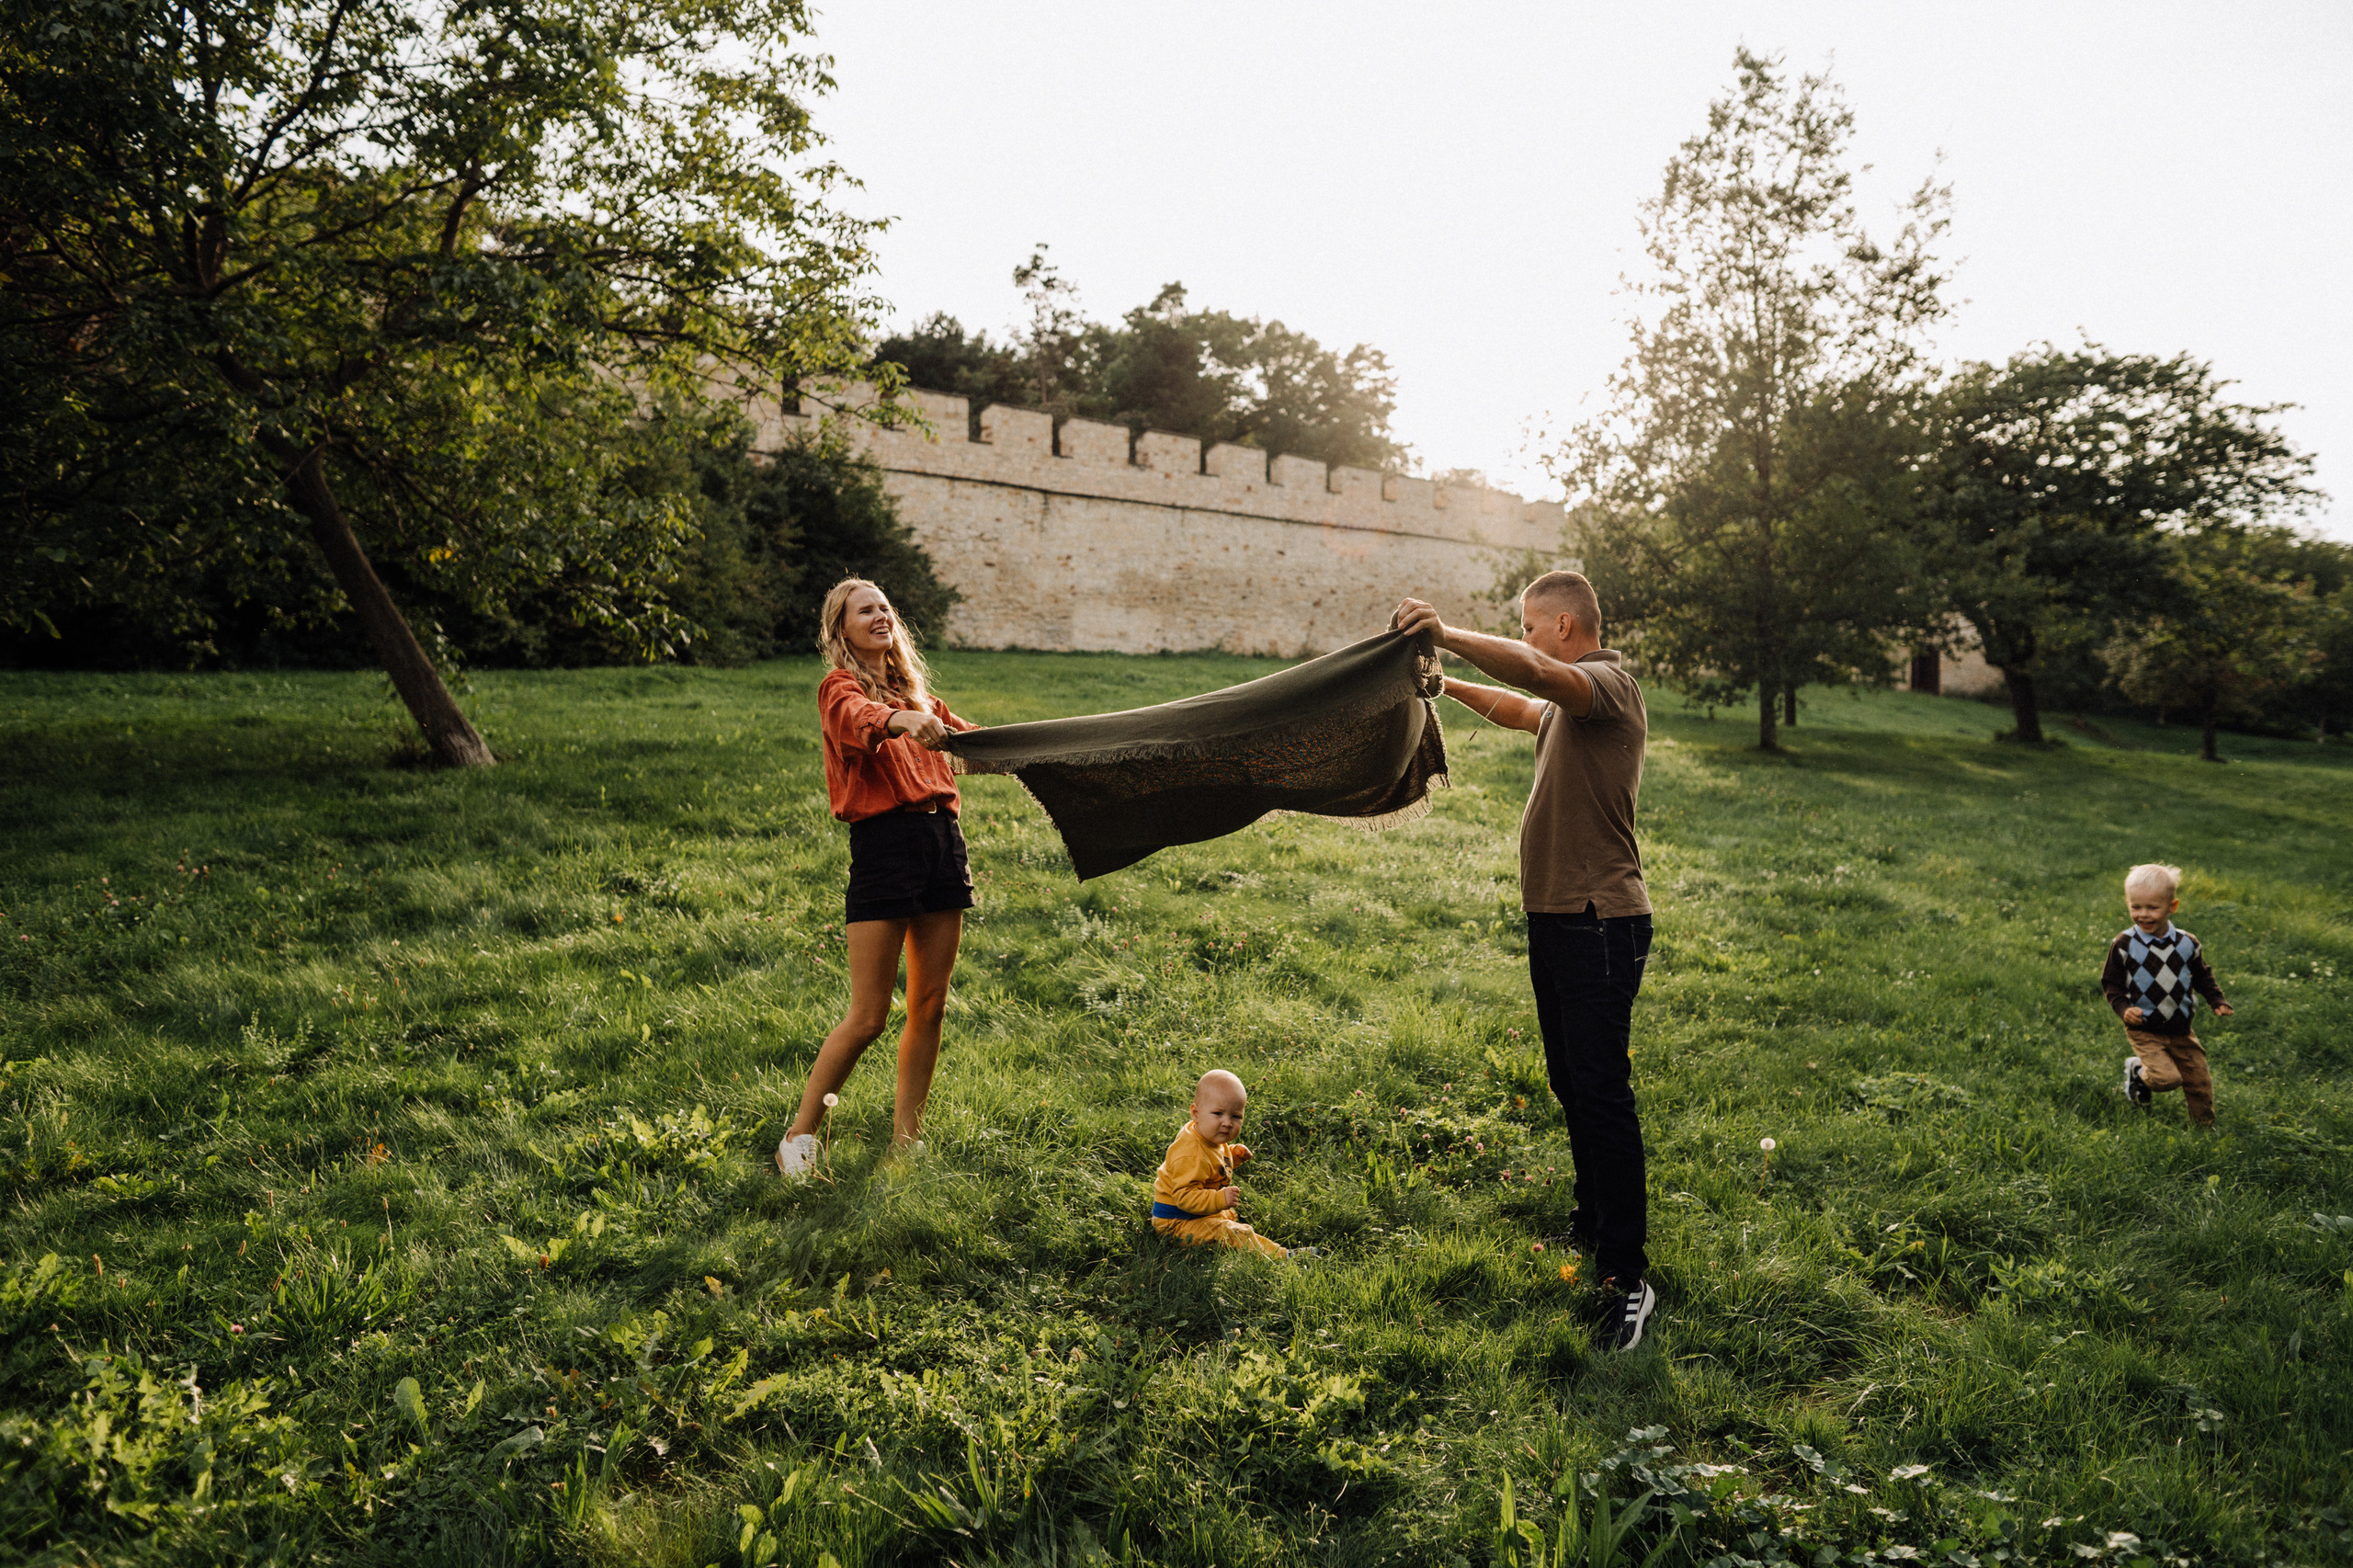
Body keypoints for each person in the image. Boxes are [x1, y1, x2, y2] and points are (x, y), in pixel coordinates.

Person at [1392, 573, 1657, 1351]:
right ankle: (1593, 1217)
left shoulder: (1609, 685)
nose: (1528, 640)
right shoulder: (1571, 706)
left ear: (1565, 625)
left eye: (1530, 628)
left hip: (1599, 919)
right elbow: (1521, 705)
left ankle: (1627, 1276)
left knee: (1602, 1091)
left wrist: (1444, 632)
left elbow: (1540, 677)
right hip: (1558, 916)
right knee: (1569, 1080)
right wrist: (1449, 684)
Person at [777, 578, 980, 1178]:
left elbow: (969, 743)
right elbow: (861, 720)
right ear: (841, 629)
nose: (880, 615)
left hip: (942, 842)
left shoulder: (914, 693)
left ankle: (907, 1140)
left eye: (886, 607)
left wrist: (1039, 749)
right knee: (869, 1014)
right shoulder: (840, 689)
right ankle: (799, 1138)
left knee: (930, 1003)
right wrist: (902, 719)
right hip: (884, 848)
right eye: (865, 610)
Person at [2103, 862, 2232, 1127]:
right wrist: (2124, 1009)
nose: (2144, 915)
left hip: (2181, 1028)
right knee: (2167, 1079)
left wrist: (2216, 999)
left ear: (2172, 906)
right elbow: (2111, 983)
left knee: (2199, 1080)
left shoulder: (2187, 944)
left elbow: (2202, 975)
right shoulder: (2124, 945)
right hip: (2144, 1027)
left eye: (2153, 908)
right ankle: (2139, 1071)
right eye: (2136, 907)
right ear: (2127, 902)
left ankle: (2204, 1130)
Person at [1151, 1070, 1310, 1259]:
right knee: (1233, 1232)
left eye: (1236, 1116)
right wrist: (1219, 1200)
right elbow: (1184, 1198)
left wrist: (1233, 1156)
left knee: (1230, 1215)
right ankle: (1282, 1256)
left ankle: (1233, 1235)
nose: (1227, 1122)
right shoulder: (1190, 1154)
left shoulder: (1208, 1135)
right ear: (1196, 1112)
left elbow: (1210, 1167)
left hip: (1193, 1215)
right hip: (1176, 1222)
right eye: (1218, 1113)